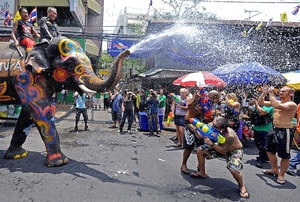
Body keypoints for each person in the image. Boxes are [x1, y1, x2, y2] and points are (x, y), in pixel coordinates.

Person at [192, 117, 250, 199]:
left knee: (233, 169)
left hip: (234, 150)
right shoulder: (212, 125)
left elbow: (223, 151)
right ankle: (202, 172)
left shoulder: (230, 135)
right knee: (200, 150)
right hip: (218, 145)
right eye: (213, 123)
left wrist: (211, 144)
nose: (212, 126)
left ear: (222, 128)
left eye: (215, 126)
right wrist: (196, 130)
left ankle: (242, 186)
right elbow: (199, 136)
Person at [258, 85, 297, 184]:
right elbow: (260, 103)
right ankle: (275, 169)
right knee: (269, 150)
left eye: (283, 91)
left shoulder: (292, 104)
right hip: (274, 129)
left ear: (290, 93)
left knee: (285, 155)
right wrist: (264, 93)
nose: (280, 92)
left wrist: (271, 94)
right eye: (280, 91)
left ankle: (281, 174)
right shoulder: (277, 101)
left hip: (285, 131)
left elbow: (277, 106)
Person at [249, 97, 273, 168]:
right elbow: (252, 112)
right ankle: (265, 156)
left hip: (265, 128)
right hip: (257, 127)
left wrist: (256, 104)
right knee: (257, 142)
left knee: (263, 144)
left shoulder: (269, 106)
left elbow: (262, 112)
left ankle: (261, 159)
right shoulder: (259, 105)